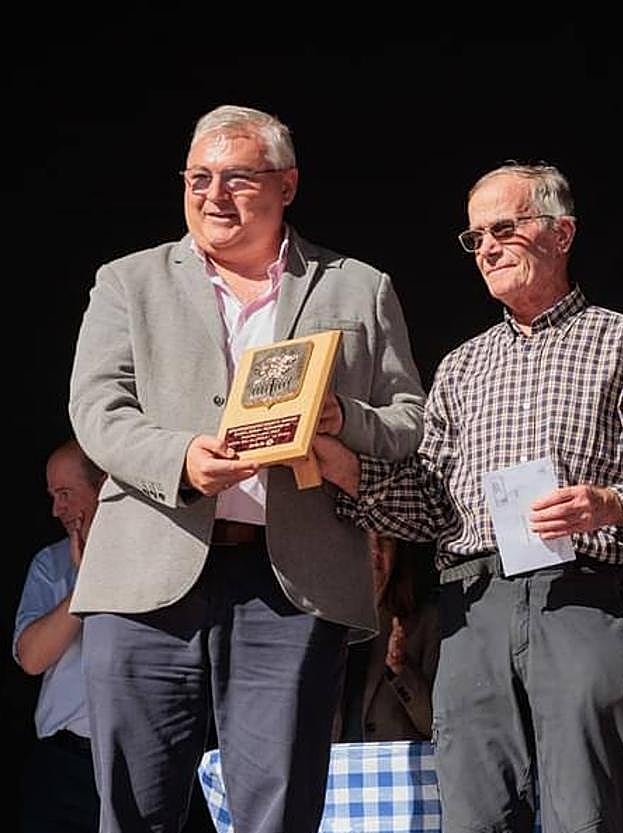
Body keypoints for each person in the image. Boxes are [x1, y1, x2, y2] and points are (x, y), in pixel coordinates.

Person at [313, 161, 623, 833]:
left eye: (504, 228)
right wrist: (343, 466)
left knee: (581, 810)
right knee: (474, 814)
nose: (487, 247)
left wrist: (607, 503)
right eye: (474, 238)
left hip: (578, 596)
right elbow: (432, 503)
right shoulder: (462, 366)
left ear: (561, 233)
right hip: (471, 609)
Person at [67, 104, 425, 833]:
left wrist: (340, 420)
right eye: (198, 177)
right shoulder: (127, 281)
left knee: (278, 808)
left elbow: (411, 419)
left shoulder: (358, 286)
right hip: (146, 576)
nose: (213, 194)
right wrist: (180, 458)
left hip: (289, 584)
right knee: (132, 809)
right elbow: (96, 408)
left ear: (286, 185)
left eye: (237, 176)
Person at [13, 439, 105, 833]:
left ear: (104, 487)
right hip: (67, 763)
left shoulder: (160, 564)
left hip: (138, 757)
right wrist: (85, 581)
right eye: (53, 496)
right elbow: (32, 658)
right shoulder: (51, 563)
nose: (57, 509)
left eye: (66, 494)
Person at [332, 532, 440, 742]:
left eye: (386, 540)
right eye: (363, 538)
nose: (375, 552)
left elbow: (435, 726)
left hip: (396, 771)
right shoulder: (319, 624)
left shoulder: (425, 622)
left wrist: (400, 669)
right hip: (331, 771)